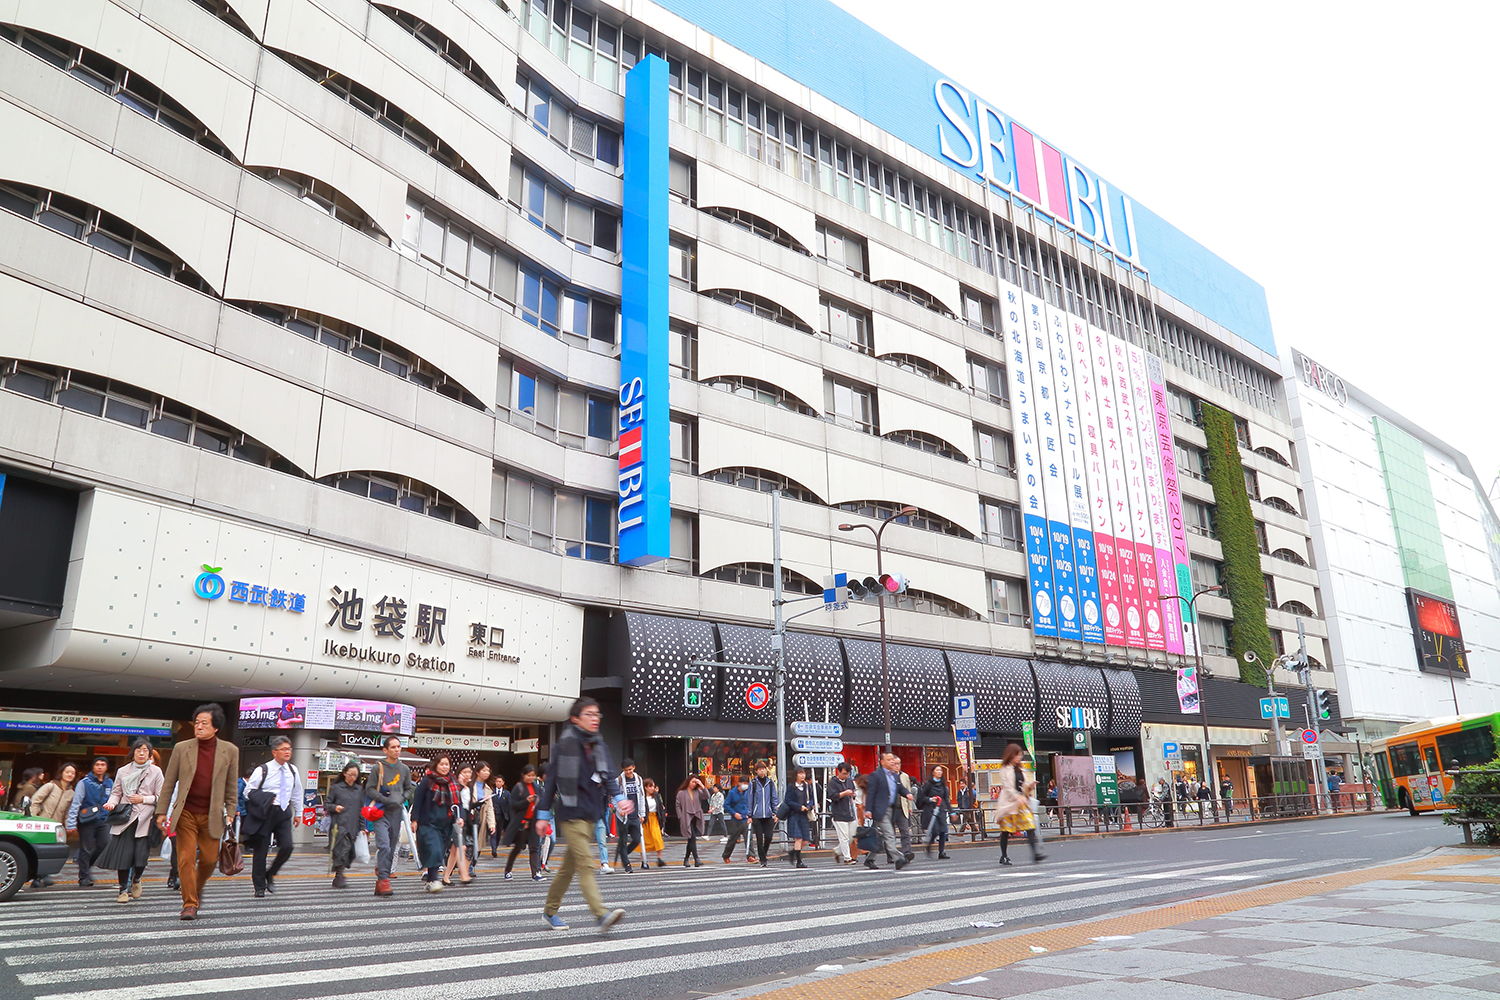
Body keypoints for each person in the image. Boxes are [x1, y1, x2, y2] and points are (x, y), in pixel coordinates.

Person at [535, 696, 630, 932]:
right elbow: (552, 782)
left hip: (591, 812)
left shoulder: (599, 744)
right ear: (576, 719)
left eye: (597, 714)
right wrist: (543, 814)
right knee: (587, 864)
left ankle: (549, 911)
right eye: (589, 714)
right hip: (571, 813)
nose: (595, 719)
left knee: (568, 868)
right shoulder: (564, 745)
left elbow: (607, 776)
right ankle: (600, 915)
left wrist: (619, 799)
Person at [156, 704, 240, 920]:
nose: (199, 726)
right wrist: (162, 811)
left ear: (216, 728)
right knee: (185, 859)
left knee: (210, 860)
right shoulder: (182, 748)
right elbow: (169, 782)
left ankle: (195, 888)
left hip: (212, 815)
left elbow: (231, 786)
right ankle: (190, 904)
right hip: (185, 813)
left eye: (205, 723)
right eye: (197, 722)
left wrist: (231, 811)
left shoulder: (230, 751)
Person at [95, 738, 163, 903]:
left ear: (149, 753)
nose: (141, 753)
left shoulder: (156, 772)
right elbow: (116, 792)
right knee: (123, 856)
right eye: (138, 749)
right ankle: (123, 890)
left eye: (145, 750)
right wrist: (111, 803)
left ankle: (137, 879)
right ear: (133, 752)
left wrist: (143, 799)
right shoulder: (123, 770)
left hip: (145, 819)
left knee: (140, 858)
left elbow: (161, 797)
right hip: (125, 819)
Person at [242, 735, 303, 898]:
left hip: (283, 812)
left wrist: (299, 812)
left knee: (288, 846)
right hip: (265, 813)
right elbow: (247, 791)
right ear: (274, 752)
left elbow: (297, 792)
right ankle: (259, 886)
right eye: (283, 749)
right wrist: (267, 798)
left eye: (289, 749)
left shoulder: (292, 770)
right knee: (261, 851)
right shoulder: (263, 769)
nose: (287, 752)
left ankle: (271, 873)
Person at [365, 735, 412, 898]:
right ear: (385, 750)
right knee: (384, 845)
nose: (397, 749)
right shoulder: (378, 767)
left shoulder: (405, 769)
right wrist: (385, 799)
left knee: (391, 848)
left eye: (398, 746)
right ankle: (384, 879)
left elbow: (408, 789)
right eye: (393, 747)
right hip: (380, 812)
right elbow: (369, 789)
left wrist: (402, 798)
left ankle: (381, 880)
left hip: (396, 813)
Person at [411, 754, 459, 892]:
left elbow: (457, 803)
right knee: (435, 849)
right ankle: (434, 879)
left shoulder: (452, 782)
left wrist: (459, 817)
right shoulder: (427, 781)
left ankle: (430, 880)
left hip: (445, 823)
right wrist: (414, 819)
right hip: (428, 822)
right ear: (436, 765)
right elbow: (418, 800)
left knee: (439, 851)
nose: (444, 767)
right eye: (442, 764)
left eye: (447, 764)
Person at [27, 763, 77, 888]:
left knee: (49, 852)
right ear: (62, 773)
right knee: (38, 851)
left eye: (72, 773)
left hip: (55, 827)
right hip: (42, 824)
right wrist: (33, 818)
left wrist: (67, 826)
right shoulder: (50, 786)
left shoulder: (71, 793)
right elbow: (35, 801)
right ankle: (39, 877)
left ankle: (42, 877)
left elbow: (67, 812)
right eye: (67, 771)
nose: (70, 774)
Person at [995, 743, 1044, 866]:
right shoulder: (1005, 768)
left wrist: (1030, 786)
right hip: (1008, 803)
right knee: (1006, 830)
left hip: (1021, 802)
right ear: (1011, 755)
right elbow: (1007, 787)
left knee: (1030, 825)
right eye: (1017, 755)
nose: (1019, 757)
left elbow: (1023, 785)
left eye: (1020, 755)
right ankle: (1004, 855)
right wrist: (1016, 796)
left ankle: (1035, 854)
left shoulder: (1021, 769)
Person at [69, 756, 113, 887]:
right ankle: (83, 877)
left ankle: (86, 866)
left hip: (104, 820)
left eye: (103, 764)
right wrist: (71, 822)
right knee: (86, 848)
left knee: (104, 844)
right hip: (87, 820)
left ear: (106, 767)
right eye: (97, 764)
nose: (100, 767)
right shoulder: (84, 782)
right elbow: (76, 802)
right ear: (93, 767)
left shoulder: (110, 782)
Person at [864, 752, 910, 870]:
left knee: (881, 836)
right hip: (880, 810)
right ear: (882, 762)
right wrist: (868, 809)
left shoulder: (894, 776)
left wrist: (907, 794)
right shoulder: (876, 775)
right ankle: (899, 858)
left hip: (892, 810)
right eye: (889, 759)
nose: (892, 761)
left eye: (892, 759)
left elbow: (900, 788)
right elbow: (871, 793)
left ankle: (870, 859)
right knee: (889, 834)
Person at [502, 764, 544, 881]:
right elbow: (513, 805)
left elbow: (542, 801)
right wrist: (526, 801)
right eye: (528, 775)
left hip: (533, 821)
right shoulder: (518, 787)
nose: (530, 778)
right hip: (522, 822)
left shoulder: (536, 787)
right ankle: (508, 870)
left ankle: (535, 873)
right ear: (523, 775)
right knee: (518, 847)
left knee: (535, 847)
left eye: (533, 776)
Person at [326, 762, 364, 888]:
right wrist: (335, 807)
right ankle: (339, 875)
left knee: (349, 852)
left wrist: (363, 827)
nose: (352, 778)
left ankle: (339, 874)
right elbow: (327, 804)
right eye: (350, 775)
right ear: (344, 773)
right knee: (341, 850)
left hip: (353, 825)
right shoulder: (336, 788)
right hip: (339, 825)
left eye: (355, 775)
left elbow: (360, 809)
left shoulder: (359, 790)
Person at [442, 763, 477, 886]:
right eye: (465, 772)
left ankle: (446, 877)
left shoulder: (470, 787)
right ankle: (464, 875)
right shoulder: (455, 786)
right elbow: (455, 802)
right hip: (456, 820)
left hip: (467, 819)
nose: (468, 774)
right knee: (461, 847)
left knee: (454, 850)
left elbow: (468, 805)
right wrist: (460, 785)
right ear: (460, 773)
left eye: (469, 772)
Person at [746, 762, 779, 868]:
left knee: (769, 837)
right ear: (756, 771)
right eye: (759, 769)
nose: (762, 771)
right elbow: (750, 799)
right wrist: (749, 815)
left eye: (763, 769)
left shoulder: (770, 783)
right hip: (757, 816)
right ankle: (763, 860)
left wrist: (775, 813)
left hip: (768, 815)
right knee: (759, 838)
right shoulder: (753, 783)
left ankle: (763, 853)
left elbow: (774, 798)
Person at [615, 759, 645, 872]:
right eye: (626, 770)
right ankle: (627, 864)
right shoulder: (618, 781)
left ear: (634, 767)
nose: (628, 772)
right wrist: (619, 809)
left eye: (630, 769)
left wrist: (642, 814)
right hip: (623, 816)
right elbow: (614, 797)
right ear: (623, 770)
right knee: (623, 839)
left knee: (637, 839)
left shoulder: (638, 779)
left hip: (635, 815)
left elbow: (641, 797)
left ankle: (623, 853)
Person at [826, 763, 858, 864]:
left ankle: (837, 851)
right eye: (843, 773)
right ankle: (847, 858)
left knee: (852, 836)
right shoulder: (833, 782)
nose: (845, 776)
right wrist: (844, 793)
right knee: (844, 837)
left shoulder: (849, 781)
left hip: (850, 812)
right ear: (838, 772)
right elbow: (832, 796)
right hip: (838, 813)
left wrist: (853, 794)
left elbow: (853, 792)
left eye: (847, 774)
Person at [919, 764, 952, 859]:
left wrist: (951, 812)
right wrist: (930, 799)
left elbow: (946, 799)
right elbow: (921, 797)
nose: (939, 772)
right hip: (930, 810)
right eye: (937, 770)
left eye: (941, 770)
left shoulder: (943, 785)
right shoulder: (928, 784)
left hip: (940, 810)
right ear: (933, 772)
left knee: (943, 831)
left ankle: (941, 852)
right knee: (935, 830)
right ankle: (929, 844)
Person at [675, 776, 708, 867]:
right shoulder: (681, 793)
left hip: (696, 817)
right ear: (688, 781)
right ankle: (696, 859)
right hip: (686, 817)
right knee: (692, 837)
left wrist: (701, 785)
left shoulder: (697, 792)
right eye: (692, 782)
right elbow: (677, 805)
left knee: (691, 839)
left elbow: (707, 796)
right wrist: (680, 816)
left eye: (695, 782)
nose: (694, 784)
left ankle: (686, 859)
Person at [784, 768, 813, 869]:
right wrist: (798, 806)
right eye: (800, 773)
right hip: (794, 815)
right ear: (795, 775)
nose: (802, 775)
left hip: (804, 815)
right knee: (799, 838)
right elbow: (787, 800)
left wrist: (809, 806)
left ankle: (793, 853)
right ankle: (799, 861)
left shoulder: (807, 786)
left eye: (803, 773)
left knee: (806, 840)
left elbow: (812, 799)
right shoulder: (791, 787)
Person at [720, 773, 750, 864]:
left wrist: (750, 814)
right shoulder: (732, 793)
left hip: (745, 819)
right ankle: (726, 855)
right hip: (735, 820)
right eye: (743, 783)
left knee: (749, 838)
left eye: (747, 783)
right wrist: (734, 813)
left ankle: (751, 856)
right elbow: (726, 805)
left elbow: (750, 804)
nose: (745, 785)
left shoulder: (748, 793)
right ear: (739, 783)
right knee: (733, 839)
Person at [472, 762, 496, 869]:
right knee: (469, 842)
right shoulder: (470, 785)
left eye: (488, 770)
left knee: (478, 844)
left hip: (481, 817)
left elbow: (490, 807)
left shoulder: (487, 788)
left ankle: (472, 864)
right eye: (484, 770)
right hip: (470, 816)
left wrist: (492, 824)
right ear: (477, 772)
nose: (487, 773)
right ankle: (469, 867)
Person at [640, 779, 668, 868]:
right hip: (645, 820)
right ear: (645, 787)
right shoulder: (642, 797)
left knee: (658, 838)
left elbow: (660, 807)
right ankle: (643, 861)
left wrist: (662, 819)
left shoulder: (656, 796)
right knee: (644, 840)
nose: (652, 788)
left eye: (653, 786)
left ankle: (659, 859)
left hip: (655, 818)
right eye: (650, 786)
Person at [491, 774, 510, 858]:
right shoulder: (491, 792)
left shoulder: (507, 793)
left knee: (498, 832)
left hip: (501, 816)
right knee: (493, 832)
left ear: (503, 783)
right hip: (493, 815)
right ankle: (493, 849)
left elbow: (509, 804)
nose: (498, 783)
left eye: (500, 782)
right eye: (497, 781)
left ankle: (496, 846)